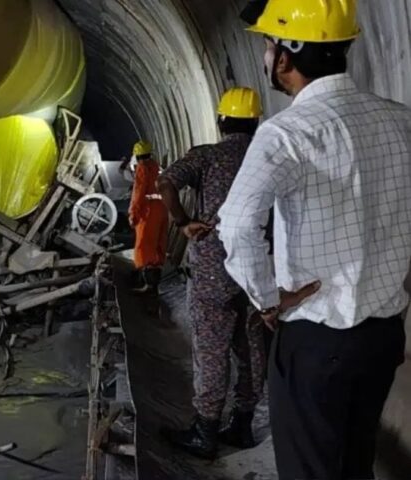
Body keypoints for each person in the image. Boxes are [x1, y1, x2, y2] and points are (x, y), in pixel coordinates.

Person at [218, 1, 411, 478]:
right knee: (354, 461)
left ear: (285, 56)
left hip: (316, 340)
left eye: (267, 45)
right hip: (384, 334)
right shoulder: (400, 120)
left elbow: (239, 224)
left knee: (310, 468)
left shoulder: (285, 134)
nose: (265, 56)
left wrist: (266, 298)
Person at [157, 87, 266, 459]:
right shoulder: (268, 155)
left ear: (221, 121)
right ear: (256, 121)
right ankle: (243, 422)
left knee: (211, 348)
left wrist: (183, 222)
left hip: (212, 269)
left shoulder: (208, 156)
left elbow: (166, 181)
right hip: (257, 267)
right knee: (250, 346)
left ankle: (205, 430)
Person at [128, 141, 167, 293]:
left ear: (137, 156)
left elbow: (138, 193)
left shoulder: (142, 168)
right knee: (158, 245)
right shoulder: (157, 167)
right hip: (162, 207)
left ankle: (147, 284)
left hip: (148, 209)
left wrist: (133, 214)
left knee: (144, 246)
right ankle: (154, 284)